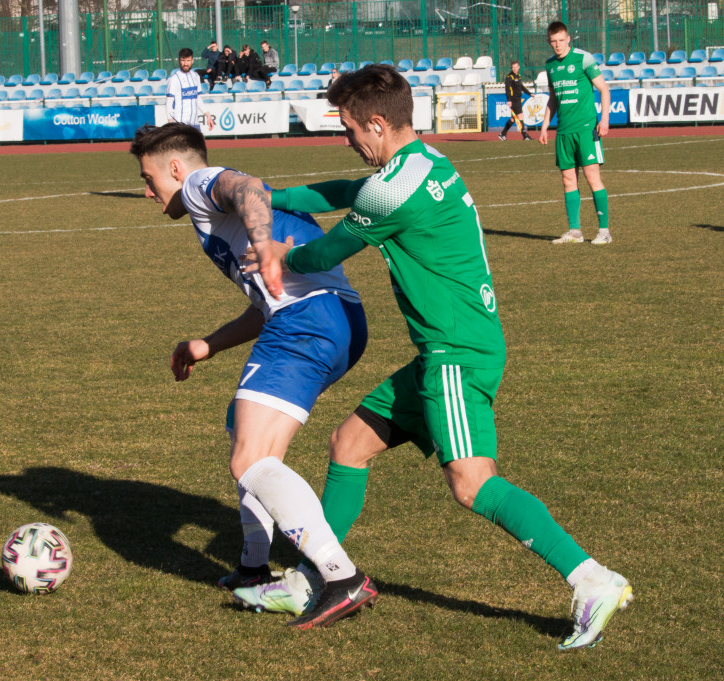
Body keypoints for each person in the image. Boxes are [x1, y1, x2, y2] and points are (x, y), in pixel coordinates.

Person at [236, 64, 633, 649]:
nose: (346, 139)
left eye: (348, 128)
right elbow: (350, 194)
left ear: (376, 122)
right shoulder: (421, 164)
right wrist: (275, 195)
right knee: (350, 443)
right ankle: (308, 578)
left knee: (472, 484)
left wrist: (278, 255)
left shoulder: (393, 188)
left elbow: (326, 251)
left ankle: (591, 578)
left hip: (454, 353)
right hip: (452, 348)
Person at [129, 122, 377, 630]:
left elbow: (246, 188)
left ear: (175, 168)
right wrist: (208, 344)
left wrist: (264, 244)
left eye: (149, 178)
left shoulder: (200, 186)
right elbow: (266, 302)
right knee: (242, 434)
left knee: (249, 458)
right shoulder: (213, 220)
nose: (147, 190)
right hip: (330, 319)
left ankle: (339, 576)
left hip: (308, 322)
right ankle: (251, 566)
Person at [539, 21, 613, 245]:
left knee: (593, 179)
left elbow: (604, 89)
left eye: (561, 40)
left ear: (568, 38)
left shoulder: (584, 58)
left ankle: (604, 232)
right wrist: (544, 126)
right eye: (553, 41)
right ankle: (575, 232)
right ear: (549, 42)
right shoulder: (550, 65)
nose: (557, 45)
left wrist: (605, 119)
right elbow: (553, 98)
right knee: (567, 180)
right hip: (564, 131)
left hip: (586, 130)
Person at [165, 48, 202, 129]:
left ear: (192, 61)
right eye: (183, 60)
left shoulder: (196, 76)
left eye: (188, 60)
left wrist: (207, 114)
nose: (185, 63)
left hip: (195, 123)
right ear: (179, 61)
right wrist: (170, 122)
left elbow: (198, 98)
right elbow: (169, 102)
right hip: (179, 124)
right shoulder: (174, 78)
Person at [498, 60, 533, 141]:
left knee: (513, 118)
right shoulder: (509, 77)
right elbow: (507, 90)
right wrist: (509, 100)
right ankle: (525, 136)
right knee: (520, 116)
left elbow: (521, 87)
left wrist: (529, 93)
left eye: (516, 67)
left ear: (519, 67)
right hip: (514, 100)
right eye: (513, 67)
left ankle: (502, 134)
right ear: (511, 68)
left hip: (518, 99)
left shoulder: (518, 76)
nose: (515, 69)